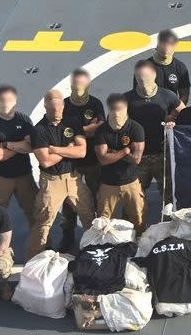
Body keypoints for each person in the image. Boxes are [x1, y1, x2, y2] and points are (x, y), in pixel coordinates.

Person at [30, 90, 94, 259]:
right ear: (45, 107)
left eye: (59, 110)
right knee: (44, 223)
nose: (56, 114)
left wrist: (56, 149)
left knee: (88, 215)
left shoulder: (72, 121)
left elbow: (82, 151)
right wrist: (69, 148)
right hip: (51, 181)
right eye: (52, 110)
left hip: (73, 179)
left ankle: (94, 251)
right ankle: (36, 259)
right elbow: (46, 161)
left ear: (64, 106)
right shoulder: (39, 130)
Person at [0, 85, 38, 236]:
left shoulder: (24, 120)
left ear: (16, 101)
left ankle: (40, 246)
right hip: (0, 177)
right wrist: (19, 146)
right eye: (3, 100)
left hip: (24, 176)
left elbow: (31, 146)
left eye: (10, 100)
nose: (6, 104)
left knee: (35, 210)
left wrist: (6, 145)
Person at [125, 60, 183, 206]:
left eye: (146, 79)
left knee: (169, 195)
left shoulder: (167, 96)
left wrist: (173, 121)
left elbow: (183, 113)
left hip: (162, 155)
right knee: (134, 197)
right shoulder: (127, 99)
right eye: (139, 79)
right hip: (139, 157)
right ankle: (135, 227)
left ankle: (169, 225)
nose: (143, 83)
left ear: (154, 76)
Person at [61, 68, 104, 252]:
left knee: (97, 198)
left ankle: (96, 235)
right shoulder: (63, 105)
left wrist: (75, 130)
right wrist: (85, 129)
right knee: (69, 203)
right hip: (70, 164)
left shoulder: (95, 104)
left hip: (93, 161)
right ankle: (68, 236)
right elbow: (60, 131)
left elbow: (99, 128)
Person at [93, 93, 146, 230]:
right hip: (108, 183)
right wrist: (124, 151)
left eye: (120, 110)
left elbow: (136, 159)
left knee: (138, 218)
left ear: (126, 109)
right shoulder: (101, 131)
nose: (116, 114)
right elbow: (103, 159)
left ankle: (140, 242)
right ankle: (102, 245)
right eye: (113, 110)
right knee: (103, 221)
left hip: (131, 182)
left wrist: (112, 152)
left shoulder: (136, 128)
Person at [147, 29, 191, 104]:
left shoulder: (180, 67)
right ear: (158, 44)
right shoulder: (145, 67)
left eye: (170, 44)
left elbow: (184, 96)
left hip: (172, 111)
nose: (166, 46)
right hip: (151, 110)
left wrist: (173, 114)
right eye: (164, 43)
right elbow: (138, 95)